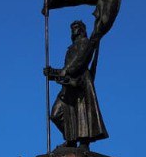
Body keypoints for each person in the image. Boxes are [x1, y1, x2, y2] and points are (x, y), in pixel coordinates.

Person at [44, 20, 109, 149]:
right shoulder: (71, 47)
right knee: (55, 114)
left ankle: (83, 142)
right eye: (72, 27)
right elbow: (67, 68)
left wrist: (64, 71)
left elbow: (79, 62)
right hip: (68, 85)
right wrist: (51, 73)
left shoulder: (85, 43)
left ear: (81, 29)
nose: (73, 30)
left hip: (80, 83)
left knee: (82, 113)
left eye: (75, 27)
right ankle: (71, 139)